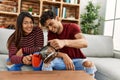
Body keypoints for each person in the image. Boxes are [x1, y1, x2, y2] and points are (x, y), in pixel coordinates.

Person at [39, 10, 97, 77]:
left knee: (89, 64)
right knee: (47, 61)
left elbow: (84, 43)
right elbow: (49, 52)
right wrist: (64, 55)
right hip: (62, 62)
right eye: (47, 27)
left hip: (77, 60)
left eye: (51, 24)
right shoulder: (51, 33)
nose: (50, 28)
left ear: (57, 18)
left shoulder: (72, 27)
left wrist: (64, 42)